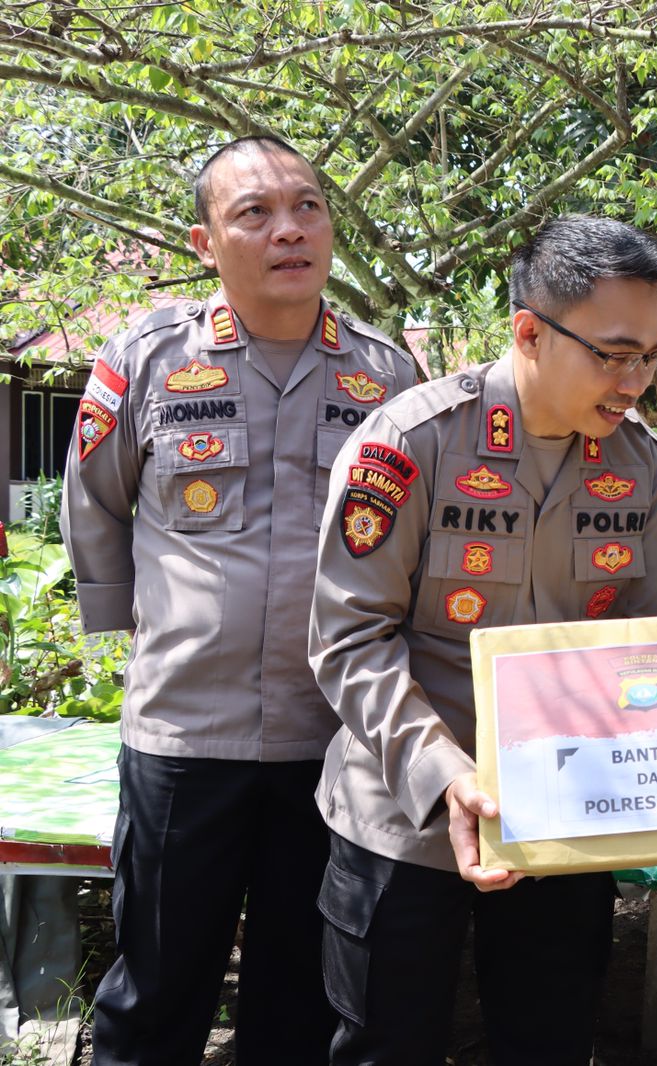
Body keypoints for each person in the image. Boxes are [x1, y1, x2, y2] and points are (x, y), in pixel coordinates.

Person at [61, 135, 420, 1064]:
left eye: (308, 206)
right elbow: (95, 501)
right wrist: (123, 635)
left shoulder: (386, 377)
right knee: (154, 991)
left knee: (299, 1000)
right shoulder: (146, 358)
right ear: (204, 240)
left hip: (332, 736)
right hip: (186, 732)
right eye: (253, 213)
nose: (288, 229)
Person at [308, 215, 657, 1065]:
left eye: (652, 356)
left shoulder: (641, 463)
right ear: (528, 331)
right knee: (385, 1045)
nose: (637, 380)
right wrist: (448, 776)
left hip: (564, 817)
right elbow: (349, 639)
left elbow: (652, 646)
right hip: (402, 819)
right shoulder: (412, 444)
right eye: (616, 354)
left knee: (547, 1041)